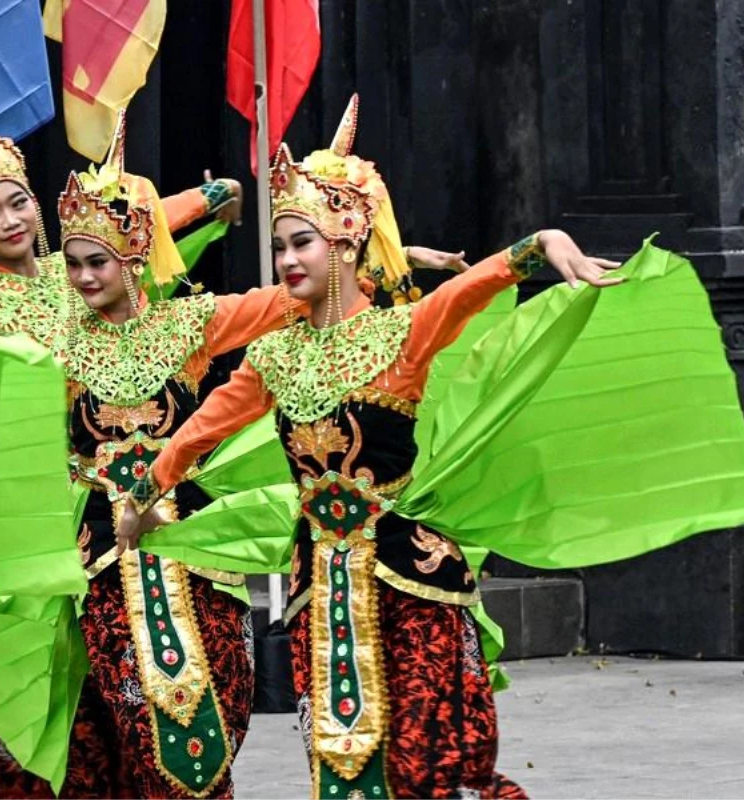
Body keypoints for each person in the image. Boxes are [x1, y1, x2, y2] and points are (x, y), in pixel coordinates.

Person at [116, 96, 631, 799]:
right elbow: (199, 430)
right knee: (342, 761)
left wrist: (538, 245)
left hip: (411, 582)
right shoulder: (272, 358)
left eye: (304, 242)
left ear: (349, 243)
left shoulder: (401, 335)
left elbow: (469, 292)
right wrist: (143, 499)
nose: (288, 258)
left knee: (429, 765)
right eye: (280, 245)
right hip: (317, 586)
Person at [0, 78, 244, 440]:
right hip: (40, 473)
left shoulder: (73, 268)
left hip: (123, 445)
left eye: (18, 203)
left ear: (34, 202)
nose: (11, 222)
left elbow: (150, 220)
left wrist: (218, 192)